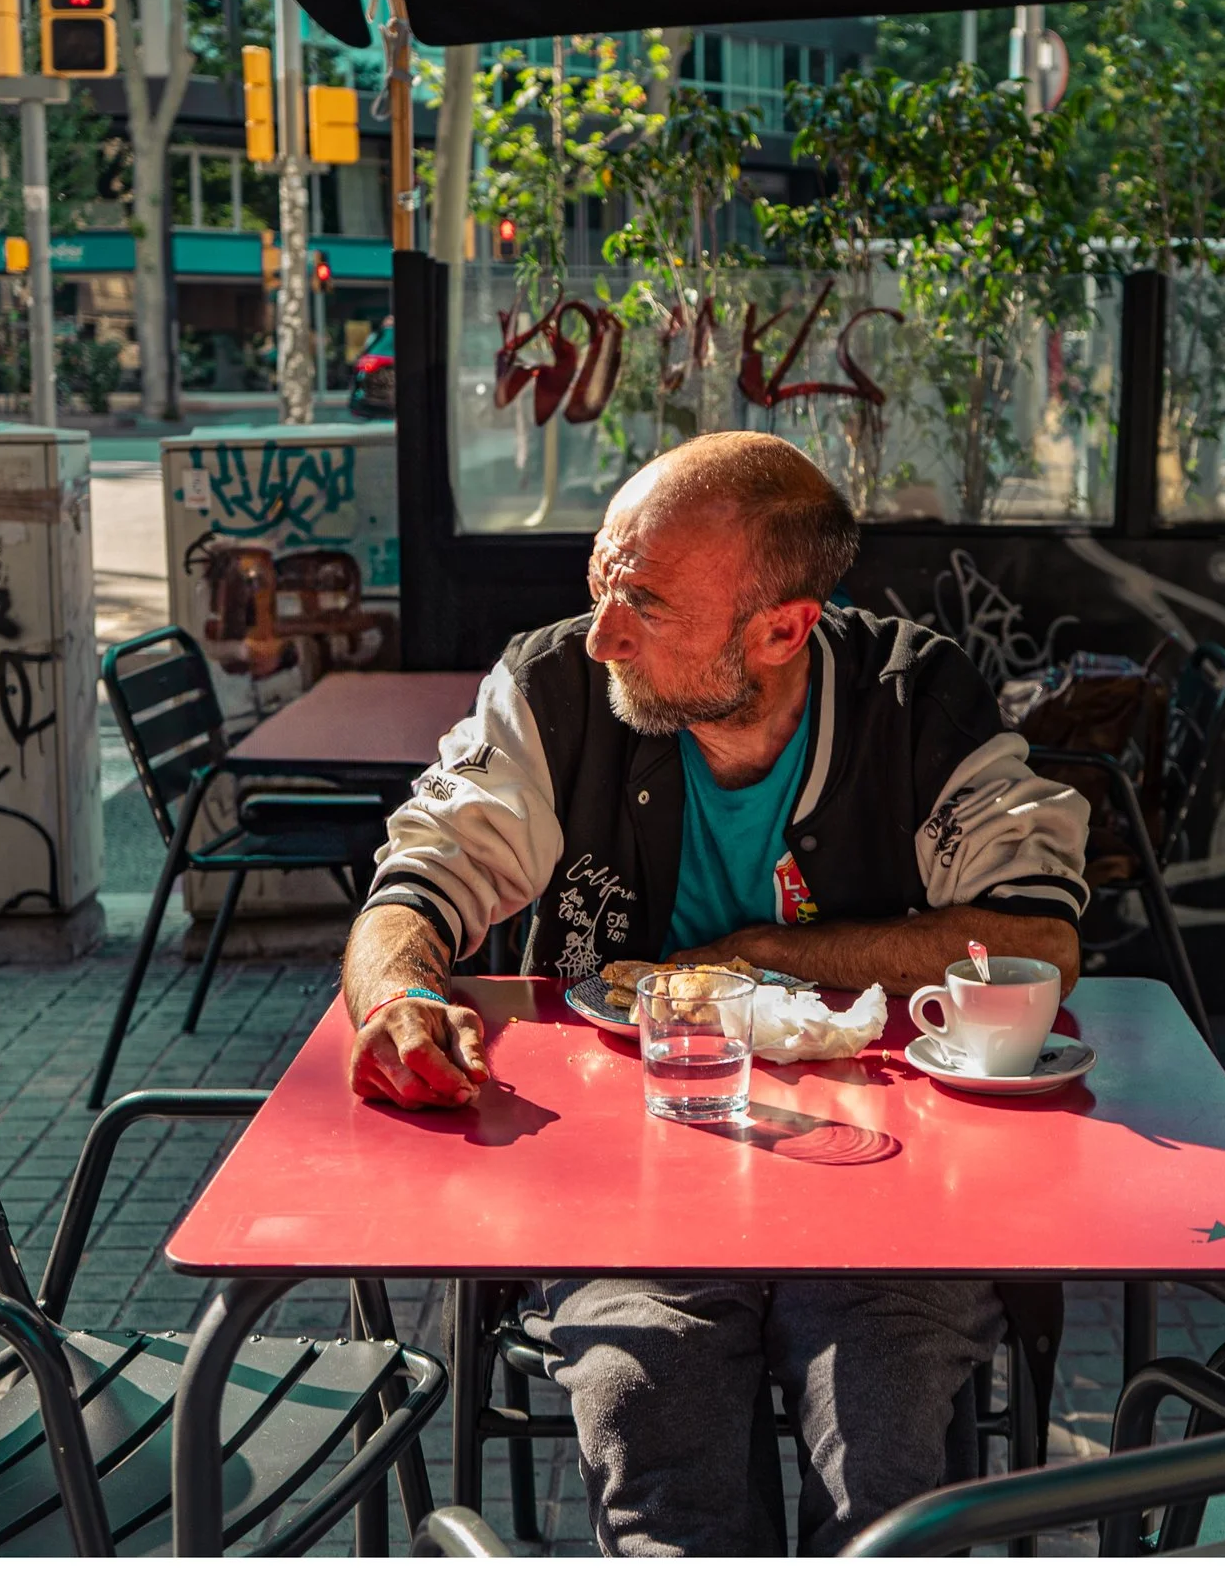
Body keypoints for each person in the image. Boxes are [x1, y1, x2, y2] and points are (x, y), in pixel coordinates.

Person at [341, 430, 1091, 1555]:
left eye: (642, 602)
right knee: (655, 1438)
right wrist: (397, 996)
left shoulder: (910, 697)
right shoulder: (559, 687)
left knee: (886, 1462)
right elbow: (418, 878)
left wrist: (760, 956)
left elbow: (1036, 933)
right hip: (621, 1194)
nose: (604, 632)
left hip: (889, 1196)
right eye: (601, 586)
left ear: (783, 628)